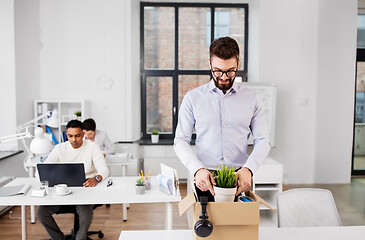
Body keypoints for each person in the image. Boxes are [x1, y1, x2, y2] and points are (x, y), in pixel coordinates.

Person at [174, 36, 271, 200]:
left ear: (238, 64)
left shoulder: (253, 98)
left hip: (240, 176)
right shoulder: (193, 98)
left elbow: (263, 140)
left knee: (239, 224)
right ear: (210, 64)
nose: (224, 77)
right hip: (205, 177)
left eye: (230, 71)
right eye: (218, 71)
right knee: (205, 225)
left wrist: (249, 169)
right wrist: (197, 169)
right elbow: (180, 140)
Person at [36, 120, 109, 240]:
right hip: (63, 194)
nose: (74, 140)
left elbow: (104, 170)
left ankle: (80, 238)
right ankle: (59, 238)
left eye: (77, 136)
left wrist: (96, 178)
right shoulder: (60, 148)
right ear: (66, 135)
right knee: (41, 212)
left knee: (85, 214)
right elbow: (44, 169)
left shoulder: (92, 147)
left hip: (85, 191)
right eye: (70, 136)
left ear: (83, 134)